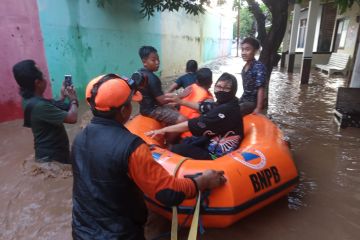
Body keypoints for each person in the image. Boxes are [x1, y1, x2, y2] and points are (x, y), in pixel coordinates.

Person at [71, 73, 226, 239]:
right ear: (124, 110)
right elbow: (168, 193)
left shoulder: (79, 139)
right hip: (119, 234)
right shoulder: (132, 147)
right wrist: (202, 181)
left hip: (81, 230)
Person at [147, 73, 244, 160]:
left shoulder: (226, 109)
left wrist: (162, 130)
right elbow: (203, 107)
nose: (221, 90)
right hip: (208, 139)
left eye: (226, 88)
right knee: (186, 141)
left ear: (233, 90)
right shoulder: (224, 103)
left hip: (215, 154)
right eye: (218, 86)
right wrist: (180, 101)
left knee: (176, 148)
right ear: (212, 85)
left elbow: (194, 124)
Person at [12, 59, 78, 164]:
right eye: (43, 76)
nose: (46, 78)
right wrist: (73, 99)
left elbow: (48, 109)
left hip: (46, 155)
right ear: (37, 83)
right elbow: (72, 118)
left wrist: (62, 98)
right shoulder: (40, 106)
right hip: (54, 159)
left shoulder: (28, 99)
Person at [239, 37, 267, 115]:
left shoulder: (259, 67)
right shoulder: (245, 66)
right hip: (244, 99)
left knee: (231, 112)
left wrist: (258, 108)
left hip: (252, 103)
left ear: (255, 51)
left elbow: (261, 88)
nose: (243, 52)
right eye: (242, 49)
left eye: (247, 49)